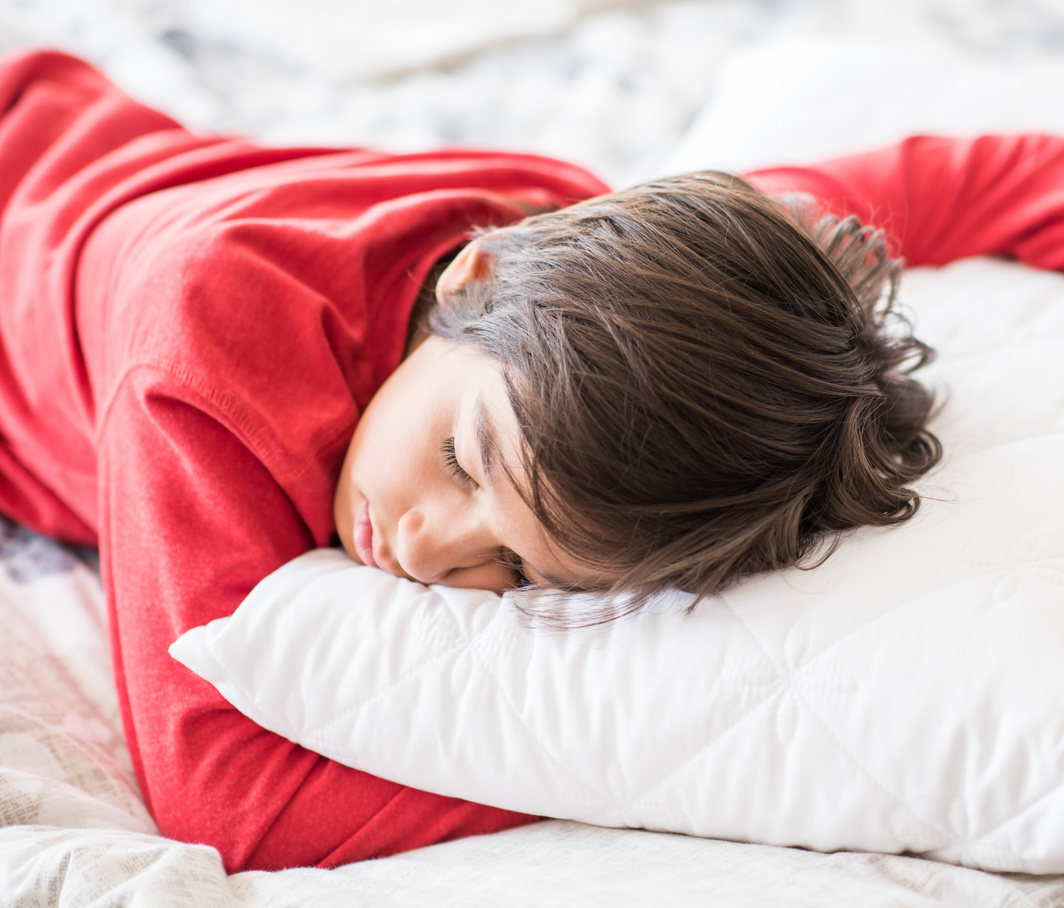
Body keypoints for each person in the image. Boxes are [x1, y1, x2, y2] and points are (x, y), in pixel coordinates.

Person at [2, 47, 1064, 872]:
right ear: (474, 274)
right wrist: (678, 746)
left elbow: (994, 178)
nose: (422, 548)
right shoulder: (200, 357)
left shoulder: (663, 291)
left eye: (514, 570)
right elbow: (236, 801)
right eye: (462, 462)